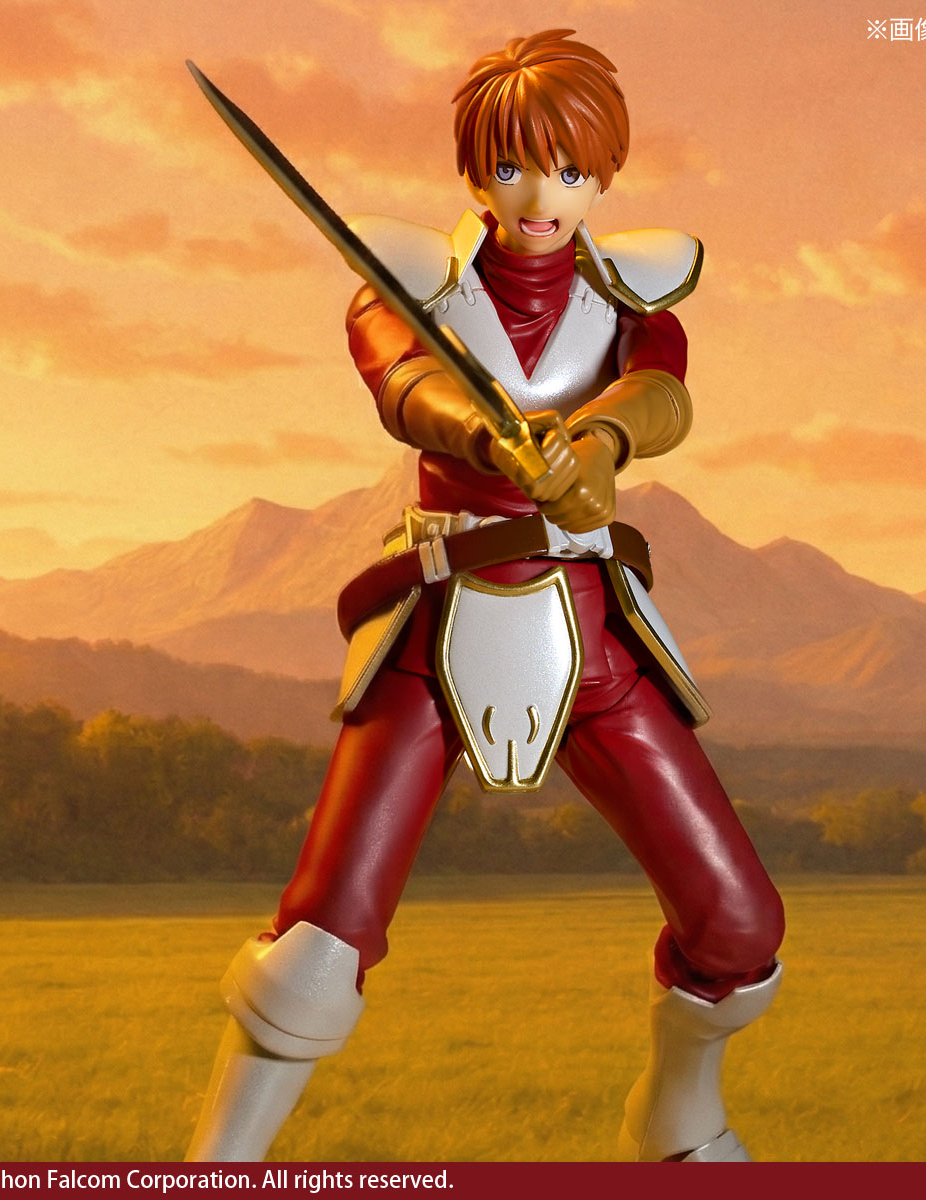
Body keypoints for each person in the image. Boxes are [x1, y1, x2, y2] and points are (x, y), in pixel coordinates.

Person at [186, 28, 784, 1164]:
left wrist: (599, 442)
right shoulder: (414, 282)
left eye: (568, 169)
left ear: (604, 174)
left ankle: (679, 1119)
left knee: (741, 929)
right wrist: (479, 434)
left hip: (590, 629)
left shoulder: (631, 292)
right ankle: (217, 1167)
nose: (540, 197)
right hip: (439, 617)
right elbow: (402, 378)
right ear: (473, 173)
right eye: (512, 167)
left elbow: (662, 388)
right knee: (317, 948)